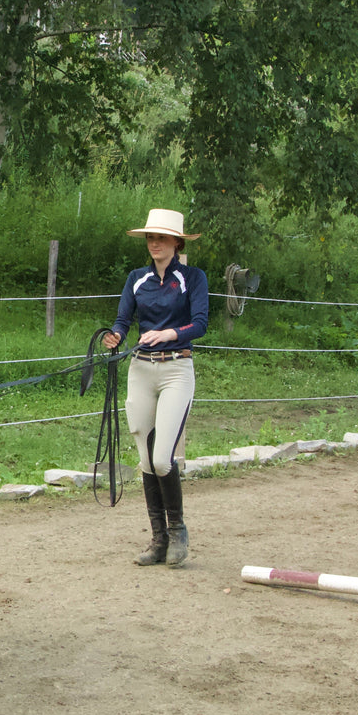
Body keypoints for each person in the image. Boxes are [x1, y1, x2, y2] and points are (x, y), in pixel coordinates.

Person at [101, 208, 208, 566]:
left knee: (163, 458)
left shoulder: (192, 278)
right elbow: (122, 319)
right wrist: (115, 336)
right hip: (141, 370)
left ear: (177, 242)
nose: (154, 243)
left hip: (177, 368)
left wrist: (169, 333)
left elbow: (201, 323)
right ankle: (158, 539)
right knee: (146, 460)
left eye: (161, 238)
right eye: (150, 237)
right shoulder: (136, 279)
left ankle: (178, 531)